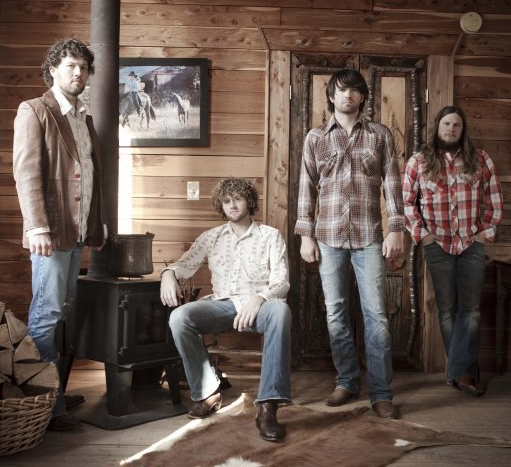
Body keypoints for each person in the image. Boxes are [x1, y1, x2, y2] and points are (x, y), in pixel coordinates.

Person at [295, 68, 403, 419]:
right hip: (327, 238)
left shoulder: (380, 135)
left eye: (354, 90)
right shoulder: (315, 138)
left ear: (362, 97)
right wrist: (306, 235)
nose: (348, 95)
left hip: (369, 237)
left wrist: (396, 229)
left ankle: (381, 393)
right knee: (336, 313)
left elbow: (392, 183)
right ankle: (347, 381)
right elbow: (306, 188)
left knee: (377, 315)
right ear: (331, 96)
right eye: (341, 90)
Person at [13, 38, 107, 431]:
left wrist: (96, 223)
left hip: (76, 231)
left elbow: (91, 178)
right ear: (53, 69)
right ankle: (46, 408)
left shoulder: (83, 119)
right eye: (70, 65)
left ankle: (54, 396)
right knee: (46, 314)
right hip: (49, 233)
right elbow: (27, 172)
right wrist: (37, 226)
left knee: (61, 311)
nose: (78, 73)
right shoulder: (35, 111)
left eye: (83, 67)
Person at [161, 178, 292, 442]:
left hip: (260, 307)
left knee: (280, 311)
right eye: (226, 201)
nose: (232, 205)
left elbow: (282, 283)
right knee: (179, 317)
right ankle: (208, 393)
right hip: (221, 305)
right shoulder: (211, 237)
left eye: (238, 198)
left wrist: (259, 298)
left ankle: (268, 406)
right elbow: (184, 265)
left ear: (249, 201)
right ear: (221, 205)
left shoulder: (270, 236)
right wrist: (167, 274)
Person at [402, 105, 503, 397]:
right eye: (446, 124)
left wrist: (484, 233)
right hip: (438, 245)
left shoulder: (480, 159)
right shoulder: (419, 161)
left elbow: (494, 199)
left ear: (463, 129)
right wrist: (423, 236)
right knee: (447, 309)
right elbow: (407, 202)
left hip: (471, 244)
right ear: (438, 127)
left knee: (470, 310)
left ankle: (460, 373)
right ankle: (463, 372)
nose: (451, 129)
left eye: (456, 125)